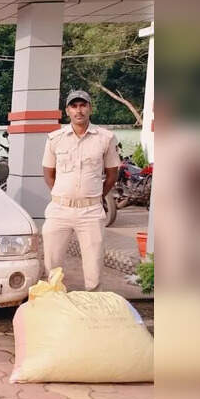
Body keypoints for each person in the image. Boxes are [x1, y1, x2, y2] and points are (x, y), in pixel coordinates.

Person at [41, 90, 121, 291]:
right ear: (67, 110)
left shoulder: (105, 138)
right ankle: (54, 304)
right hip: (59, 210)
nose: (79, 110)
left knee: (94, 266)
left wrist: (96, 196)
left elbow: (112, 174)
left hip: (91, 211)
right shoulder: (55, 139)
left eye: (83, 105)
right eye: (74, 106)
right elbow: (49, 173)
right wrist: (63, 195)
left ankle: (92, 309)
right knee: (52, 265)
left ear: (90, 108)